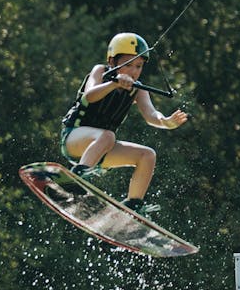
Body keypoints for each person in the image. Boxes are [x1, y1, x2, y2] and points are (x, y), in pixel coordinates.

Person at [61, 32, 188, 215]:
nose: (134, 71)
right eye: (128, 65)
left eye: (138, 66)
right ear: (112, 62)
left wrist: (166, 122)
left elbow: (151, 115)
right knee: (108, 135)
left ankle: (132, 208)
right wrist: (114, 84)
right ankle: (78, 177)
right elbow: (89, 96)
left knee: (147, 155)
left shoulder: (137, 89)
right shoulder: (100, 72)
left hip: (102, 148)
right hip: (74, 137)